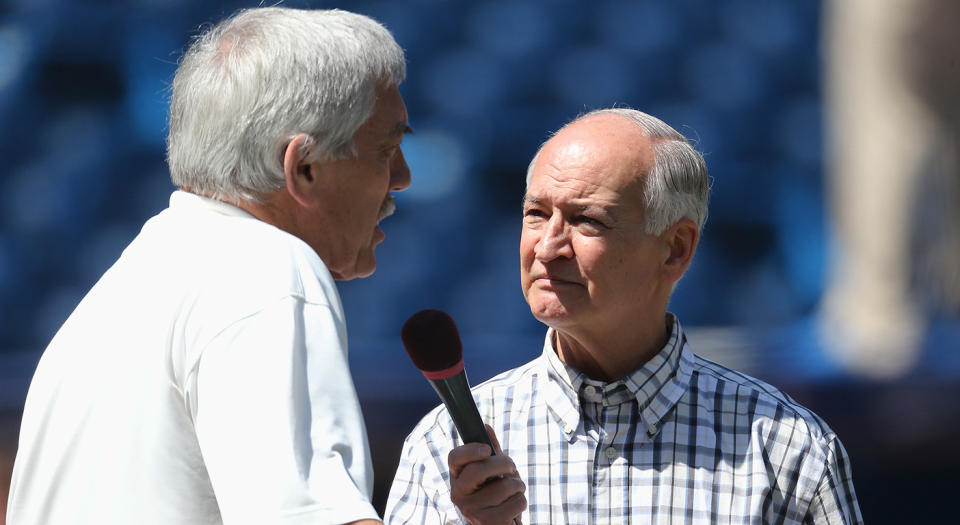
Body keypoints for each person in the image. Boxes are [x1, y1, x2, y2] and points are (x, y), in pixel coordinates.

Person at [8, 7, 410, 524]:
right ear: (303, 167)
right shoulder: (268, 269)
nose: (401, 177)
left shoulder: (125, 285)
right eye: (387, 148)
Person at [385, 108, 863, 524]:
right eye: (536, 213)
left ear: (676, 249)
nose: (548, 246)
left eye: (587, 220)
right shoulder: (439, 447)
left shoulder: (786, 449)